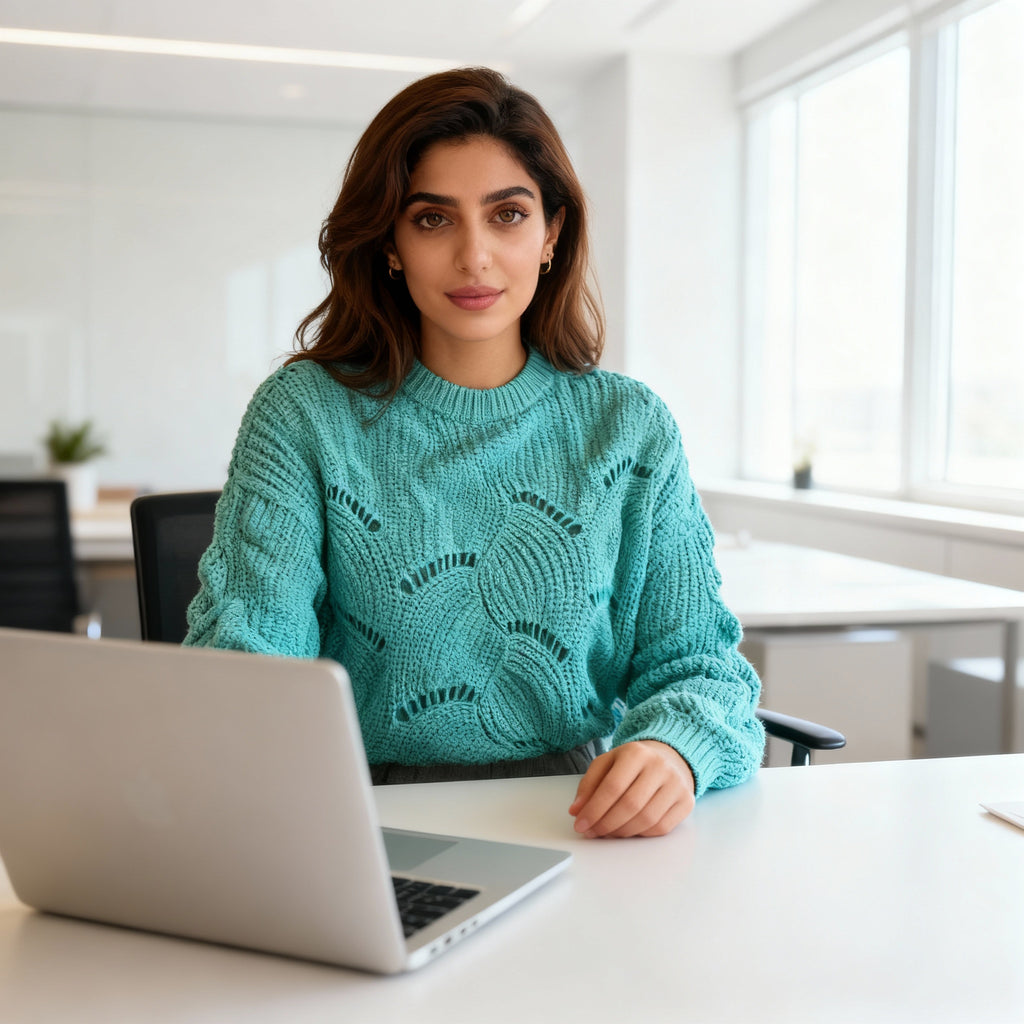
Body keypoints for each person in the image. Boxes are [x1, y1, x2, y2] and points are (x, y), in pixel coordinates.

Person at [184, 67, 764, 839]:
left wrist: (673, 749)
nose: (475, 257)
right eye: (432, 220)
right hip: (358, 818)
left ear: (552, 233)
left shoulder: (629, 426)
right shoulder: (305, 416)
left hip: (577, 820)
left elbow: (702, 668)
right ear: (389, 242)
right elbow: (250, 663)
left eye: (508, 215)